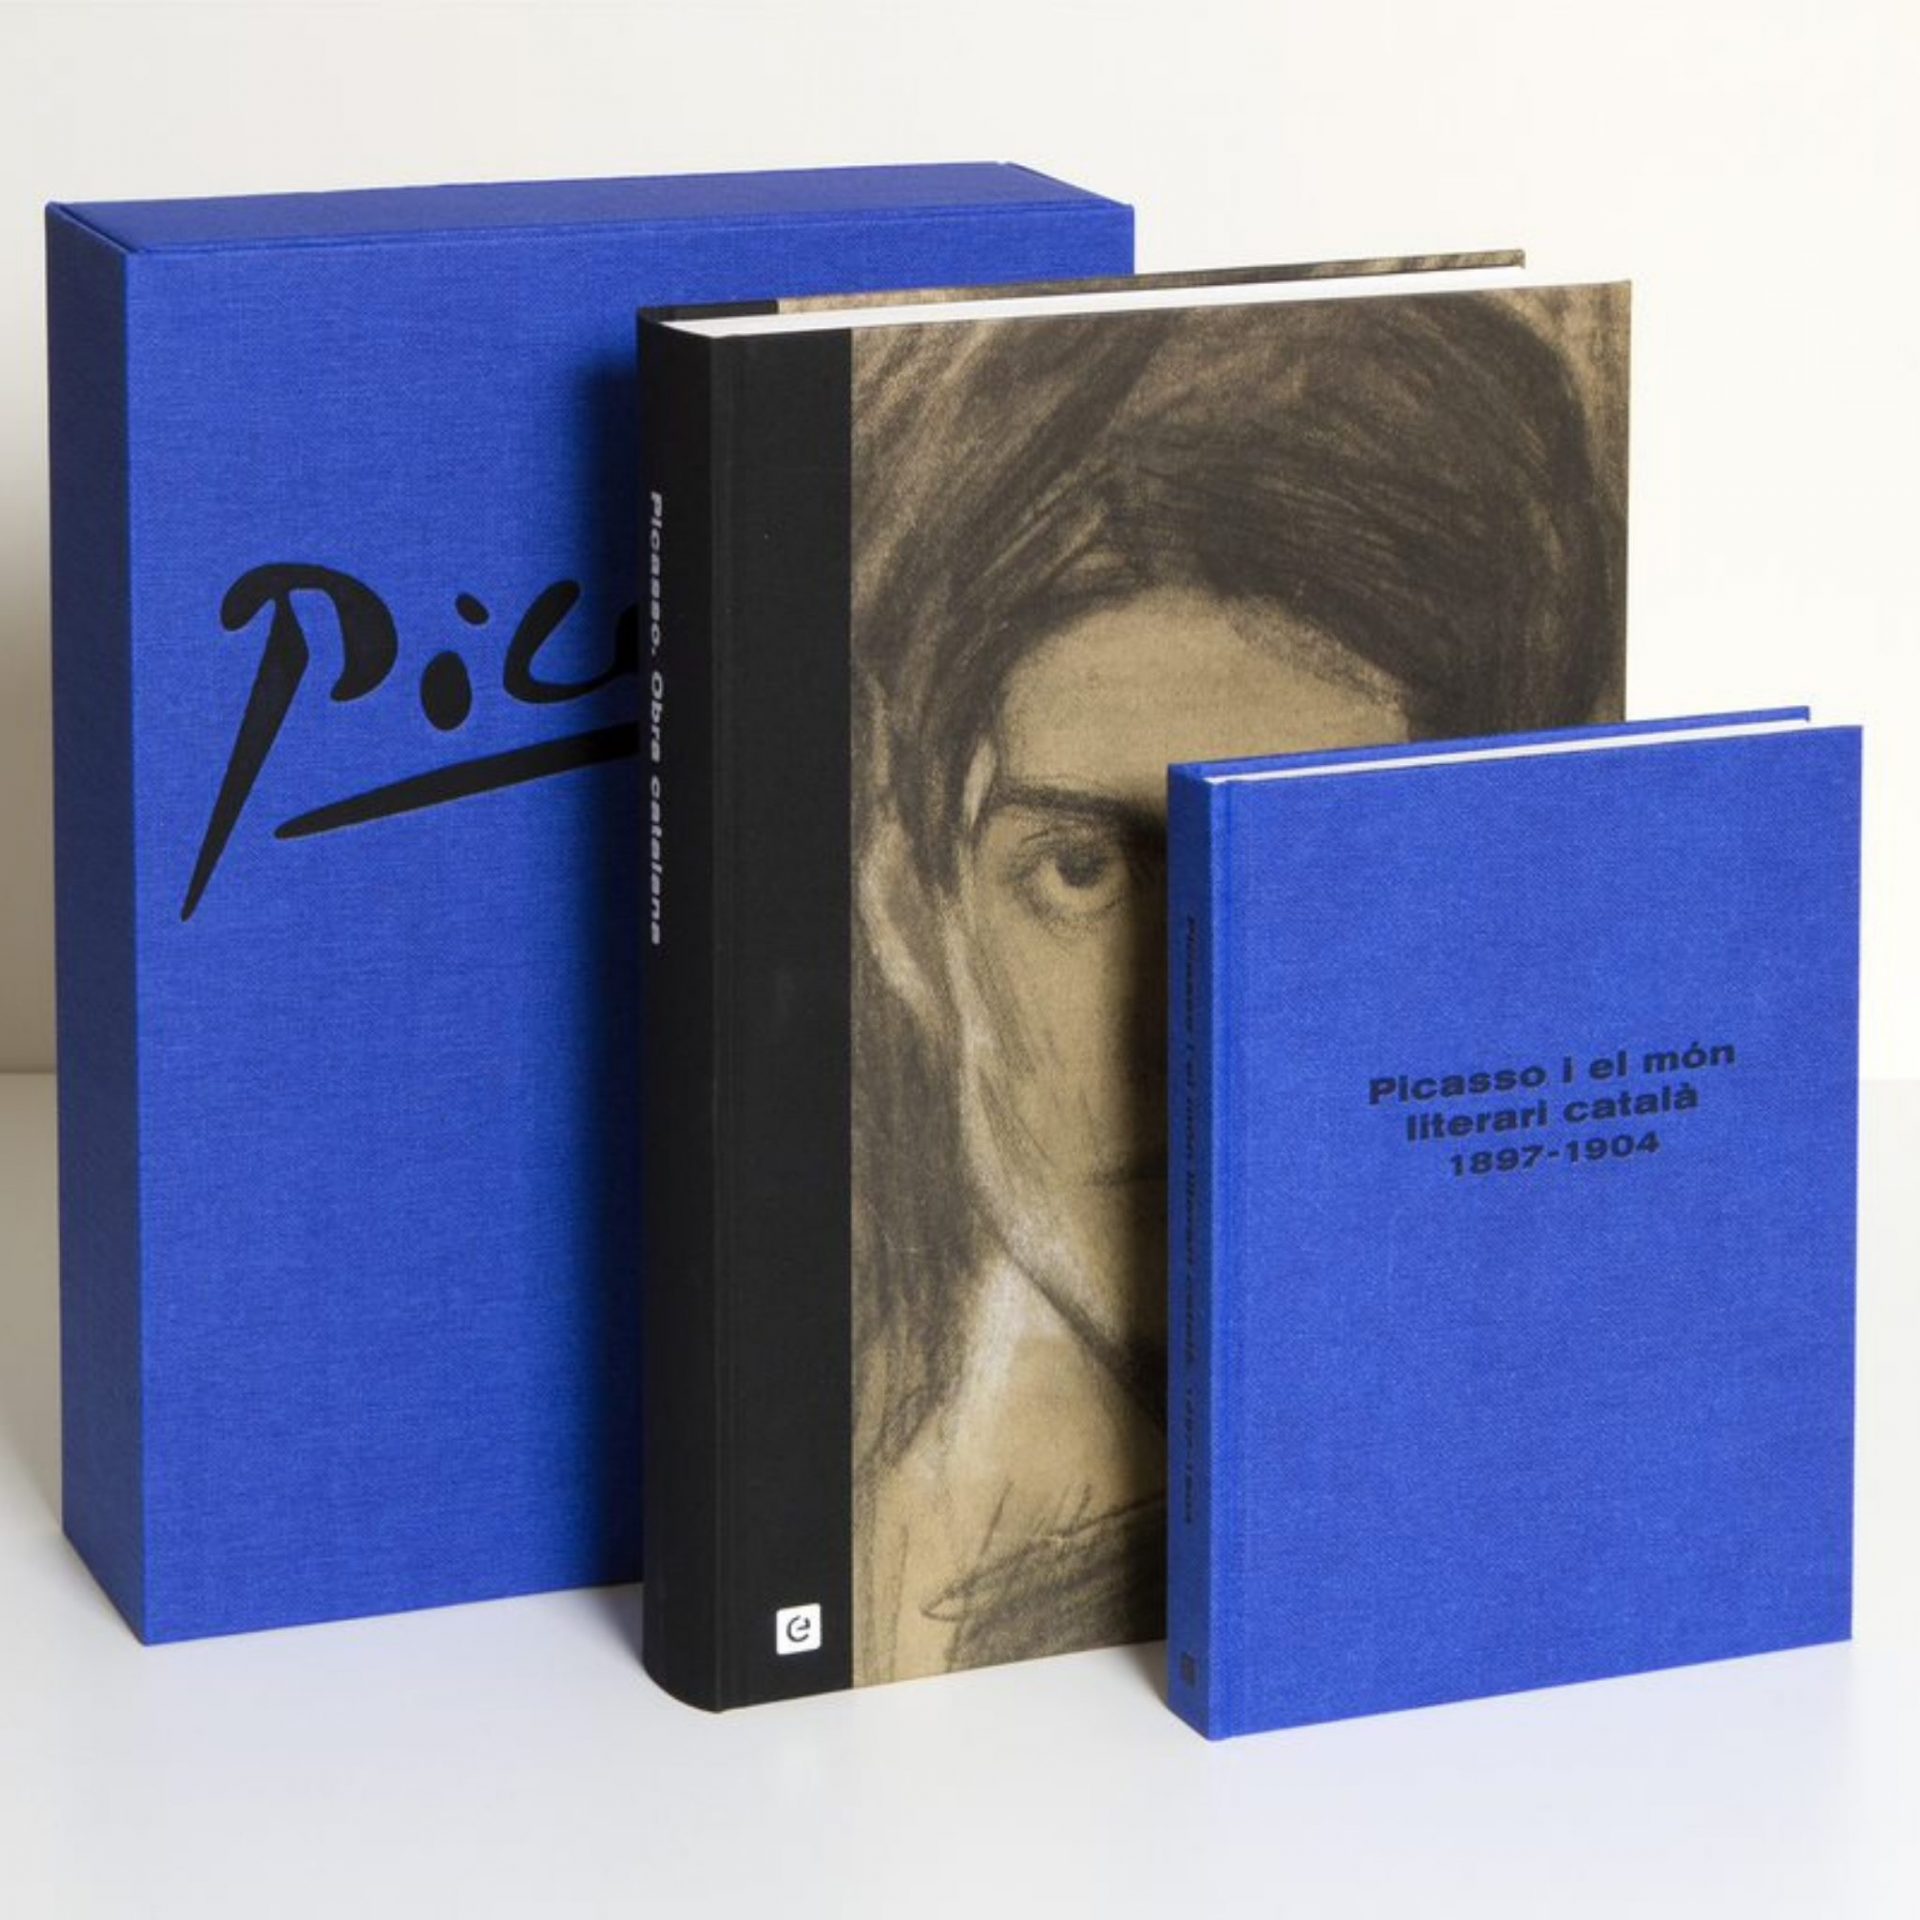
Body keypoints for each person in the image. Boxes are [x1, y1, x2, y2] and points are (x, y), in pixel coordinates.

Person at [847, 287, 1627, 1683]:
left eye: (1317, 872)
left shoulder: (1594, 1480)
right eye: (1080, 872)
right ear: (913, 916)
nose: (1183, 1031)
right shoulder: (853, 1570)